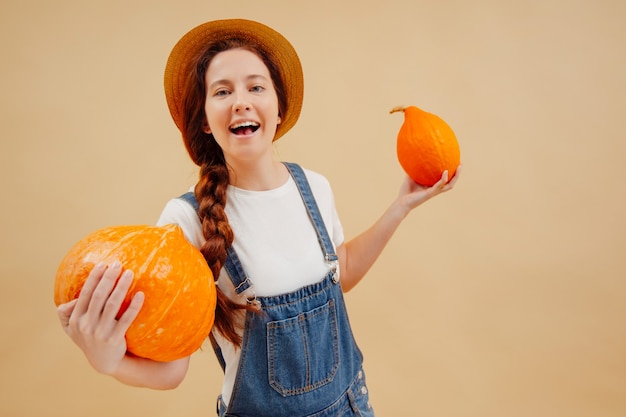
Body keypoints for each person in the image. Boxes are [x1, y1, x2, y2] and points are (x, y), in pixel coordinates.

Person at [56, 18, 461, 416]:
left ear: (279, 108)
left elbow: (343, 270)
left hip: (351, 405)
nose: (241, 101)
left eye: (255, 86)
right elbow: (174, 368)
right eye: (222, 91)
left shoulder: (314, 187)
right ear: (204, 120)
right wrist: (106, 360)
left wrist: (401, 205)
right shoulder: (185, 221)